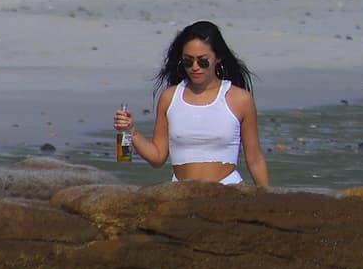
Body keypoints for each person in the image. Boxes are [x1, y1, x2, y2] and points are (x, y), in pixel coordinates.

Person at [114, 20, 270, 187]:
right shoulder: (170, 97)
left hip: (228, 191)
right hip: (180, 193)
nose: (195, 67)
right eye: (188, 61)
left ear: (218, 58)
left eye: (202, 61)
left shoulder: (240, 99)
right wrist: (130, 131)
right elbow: (157, 158)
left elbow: (255, 160)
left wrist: (269, 202)